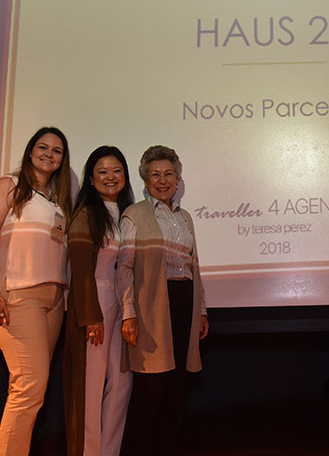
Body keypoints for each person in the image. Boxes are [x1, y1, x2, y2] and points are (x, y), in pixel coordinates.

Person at [0, 127, 72, 456]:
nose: (49, 154)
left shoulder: (57, 200)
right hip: (18, 296)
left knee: (34, 391)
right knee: (28, 388)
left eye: (57, 150)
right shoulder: (9, 186)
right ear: (30, 151)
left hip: (54, 301)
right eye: (43, 147)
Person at [117, 145, 209, 456]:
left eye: (169, 174)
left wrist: (201, 311)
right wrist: (128, 313)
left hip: (184, 304)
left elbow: (193, 266)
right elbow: (124, 268)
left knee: (177, 390)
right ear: (145, 179)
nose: (163, 180)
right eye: (155, 174)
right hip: (151, 308)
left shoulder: (185, 218)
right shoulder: (134, 215)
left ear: (177, 179)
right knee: (150, 391)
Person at [64, 146, 135, 456]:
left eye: (117, 170)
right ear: (91, 179)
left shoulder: (129, 213)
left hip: (123, 302)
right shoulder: (86, 214)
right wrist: (91, 315)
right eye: (102, 171)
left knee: (122, 384)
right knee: (90, 386)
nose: (110, 177)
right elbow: (81, 269)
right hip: (95, 299)